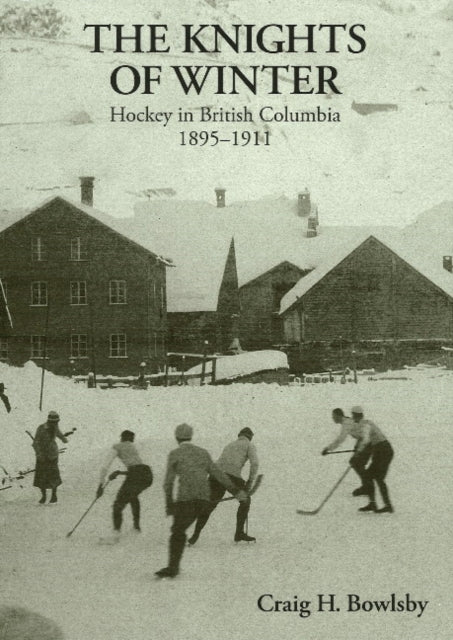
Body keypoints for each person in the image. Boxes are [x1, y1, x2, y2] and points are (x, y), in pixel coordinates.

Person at [155, 423, 248, 579]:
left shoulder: (175, 454)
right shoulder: (203, 453)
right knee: (182, 527)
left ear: (177, 437)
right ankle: (176, 563)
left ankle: (173, 567)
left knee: (177, 531)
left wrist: (169, 503)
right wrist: (236, 491)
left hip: (186, 499)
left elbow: (168, 482)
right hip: (204, 499)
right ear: (190, 436)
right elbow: (219, 475)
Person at [188, 426, 259, 546]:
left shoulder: (230, 444)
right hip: (232, 476)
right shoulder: (249, 445)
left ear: (239, 435)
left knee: (210, 505)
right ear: (250, 437)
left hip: (216, 474)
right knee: (245, 501)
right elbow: (255, 463)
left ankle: (195, 535)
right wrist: (250, 482)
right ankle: (239, 533)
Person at [96, 430, 153, 540]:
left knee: (118, 504)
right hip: (147, 474)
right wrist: (119, 473)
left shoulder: (117, 446)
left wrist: (100, 485)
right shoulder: (132, 447)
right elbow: (137, 468)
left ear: (121, 437)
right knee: (133, 496)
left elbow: (105, 466)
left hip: (135, 474)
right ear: (131, 439)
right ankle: (136, 527)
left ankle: (116, 533)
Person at [349, 407, 394, 513]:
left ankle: (387, 505)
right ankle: (373, 504)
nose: (352, 417)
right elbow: (363, 440)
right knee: (369, 476)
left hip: (384, 451)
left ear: (356, 415)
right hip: (379, 451)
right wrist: (358, 447)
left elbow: (365, 440)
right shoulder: (364, 424)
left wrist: (358, 453)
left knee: (378, 478)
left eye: (353, 415)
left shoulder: (366, 425)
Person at [322, 407, 372, 496]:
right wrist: (357, 445)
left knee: (355, 462)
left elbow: (340, 439)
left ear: (338, 416)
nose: (333, 418)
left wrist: (328, 448)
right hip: (365, 442)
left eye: (333, 416)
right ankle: (367, 486)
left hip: (368, 442)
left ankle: (368, 487)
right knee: (356, 463)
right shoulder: (347, 422)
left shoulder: (346, 423)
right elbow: (359, 433)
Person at [32, 411, 68, 504]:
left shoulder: (55, 427)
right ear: (50, 421)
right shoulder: (41, 428)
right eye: (54, 422)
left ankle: (54, 495)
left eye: (57, 422)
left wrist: (64, 439)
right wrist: (39, 454)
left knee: (53, 476)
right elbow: (35, 443)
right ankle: (43, 496)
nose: (56, 424)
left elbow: (60, 435)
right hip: (42, 456)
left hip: (53, 455)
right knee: (41, 477)